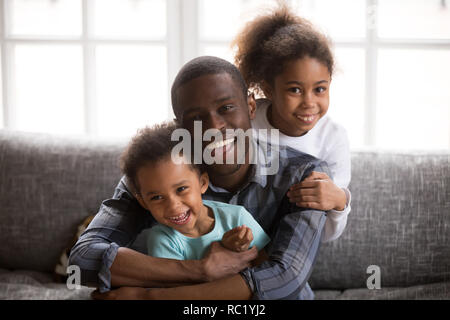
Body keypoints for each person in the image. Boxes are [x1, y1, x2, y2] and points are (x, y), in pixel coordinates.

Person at [69, 55, 329, 300]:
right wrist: (200, 269)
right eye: (196, 118)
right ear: (180, 127)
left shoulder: (303, 174)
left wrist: (150, 296)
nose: (215, 127)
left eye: (226, 107)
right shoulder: (152, 180)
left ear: (250, 106)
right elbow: (83, 260)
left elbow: (285, 278)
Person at [232, 4, 352, 242]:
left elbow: (326, 235)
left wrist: (339, 201)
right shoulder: (248, 121)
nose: (309, 102)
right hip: (237, 236)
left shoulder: (332, 138)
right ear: (268, 89)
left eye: (320, 89)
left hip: (290, 246)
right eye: (295, 89)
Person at [119, 122, 270, 262]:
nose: (173, 206)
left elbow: (266, 267)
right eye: (157, 197)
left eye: (181, 189)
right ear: (143, 202)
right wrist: (224, 251)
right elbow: (181, 290)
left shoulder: (237, 217)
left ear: (202, 183)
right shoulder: (162, 240)